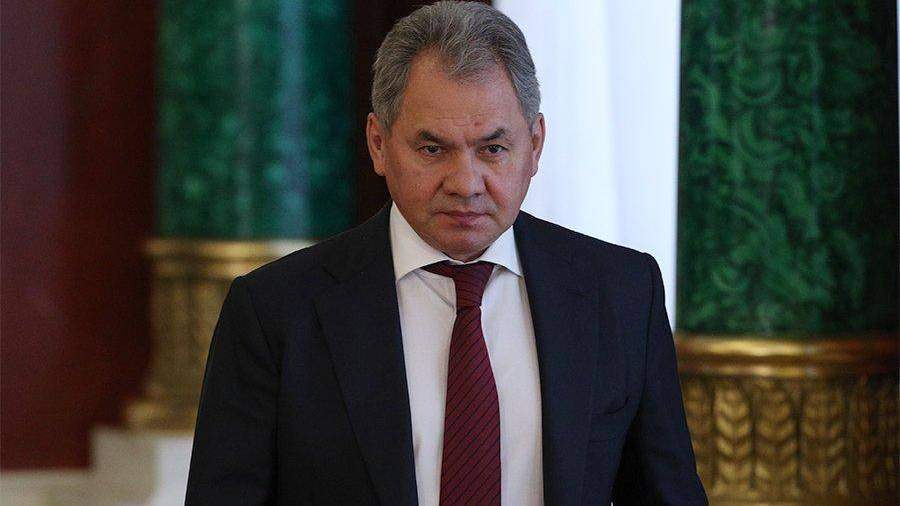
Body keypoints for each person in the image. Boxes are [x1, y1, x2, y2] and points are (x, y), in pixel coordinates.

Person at [185, 2, 707, 505]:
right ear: (378, 144)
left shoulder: (620, 293)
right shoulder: (275, 311)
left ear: (535, 145)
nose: (465, 183)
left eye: (493, 149)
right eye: (433, 149)